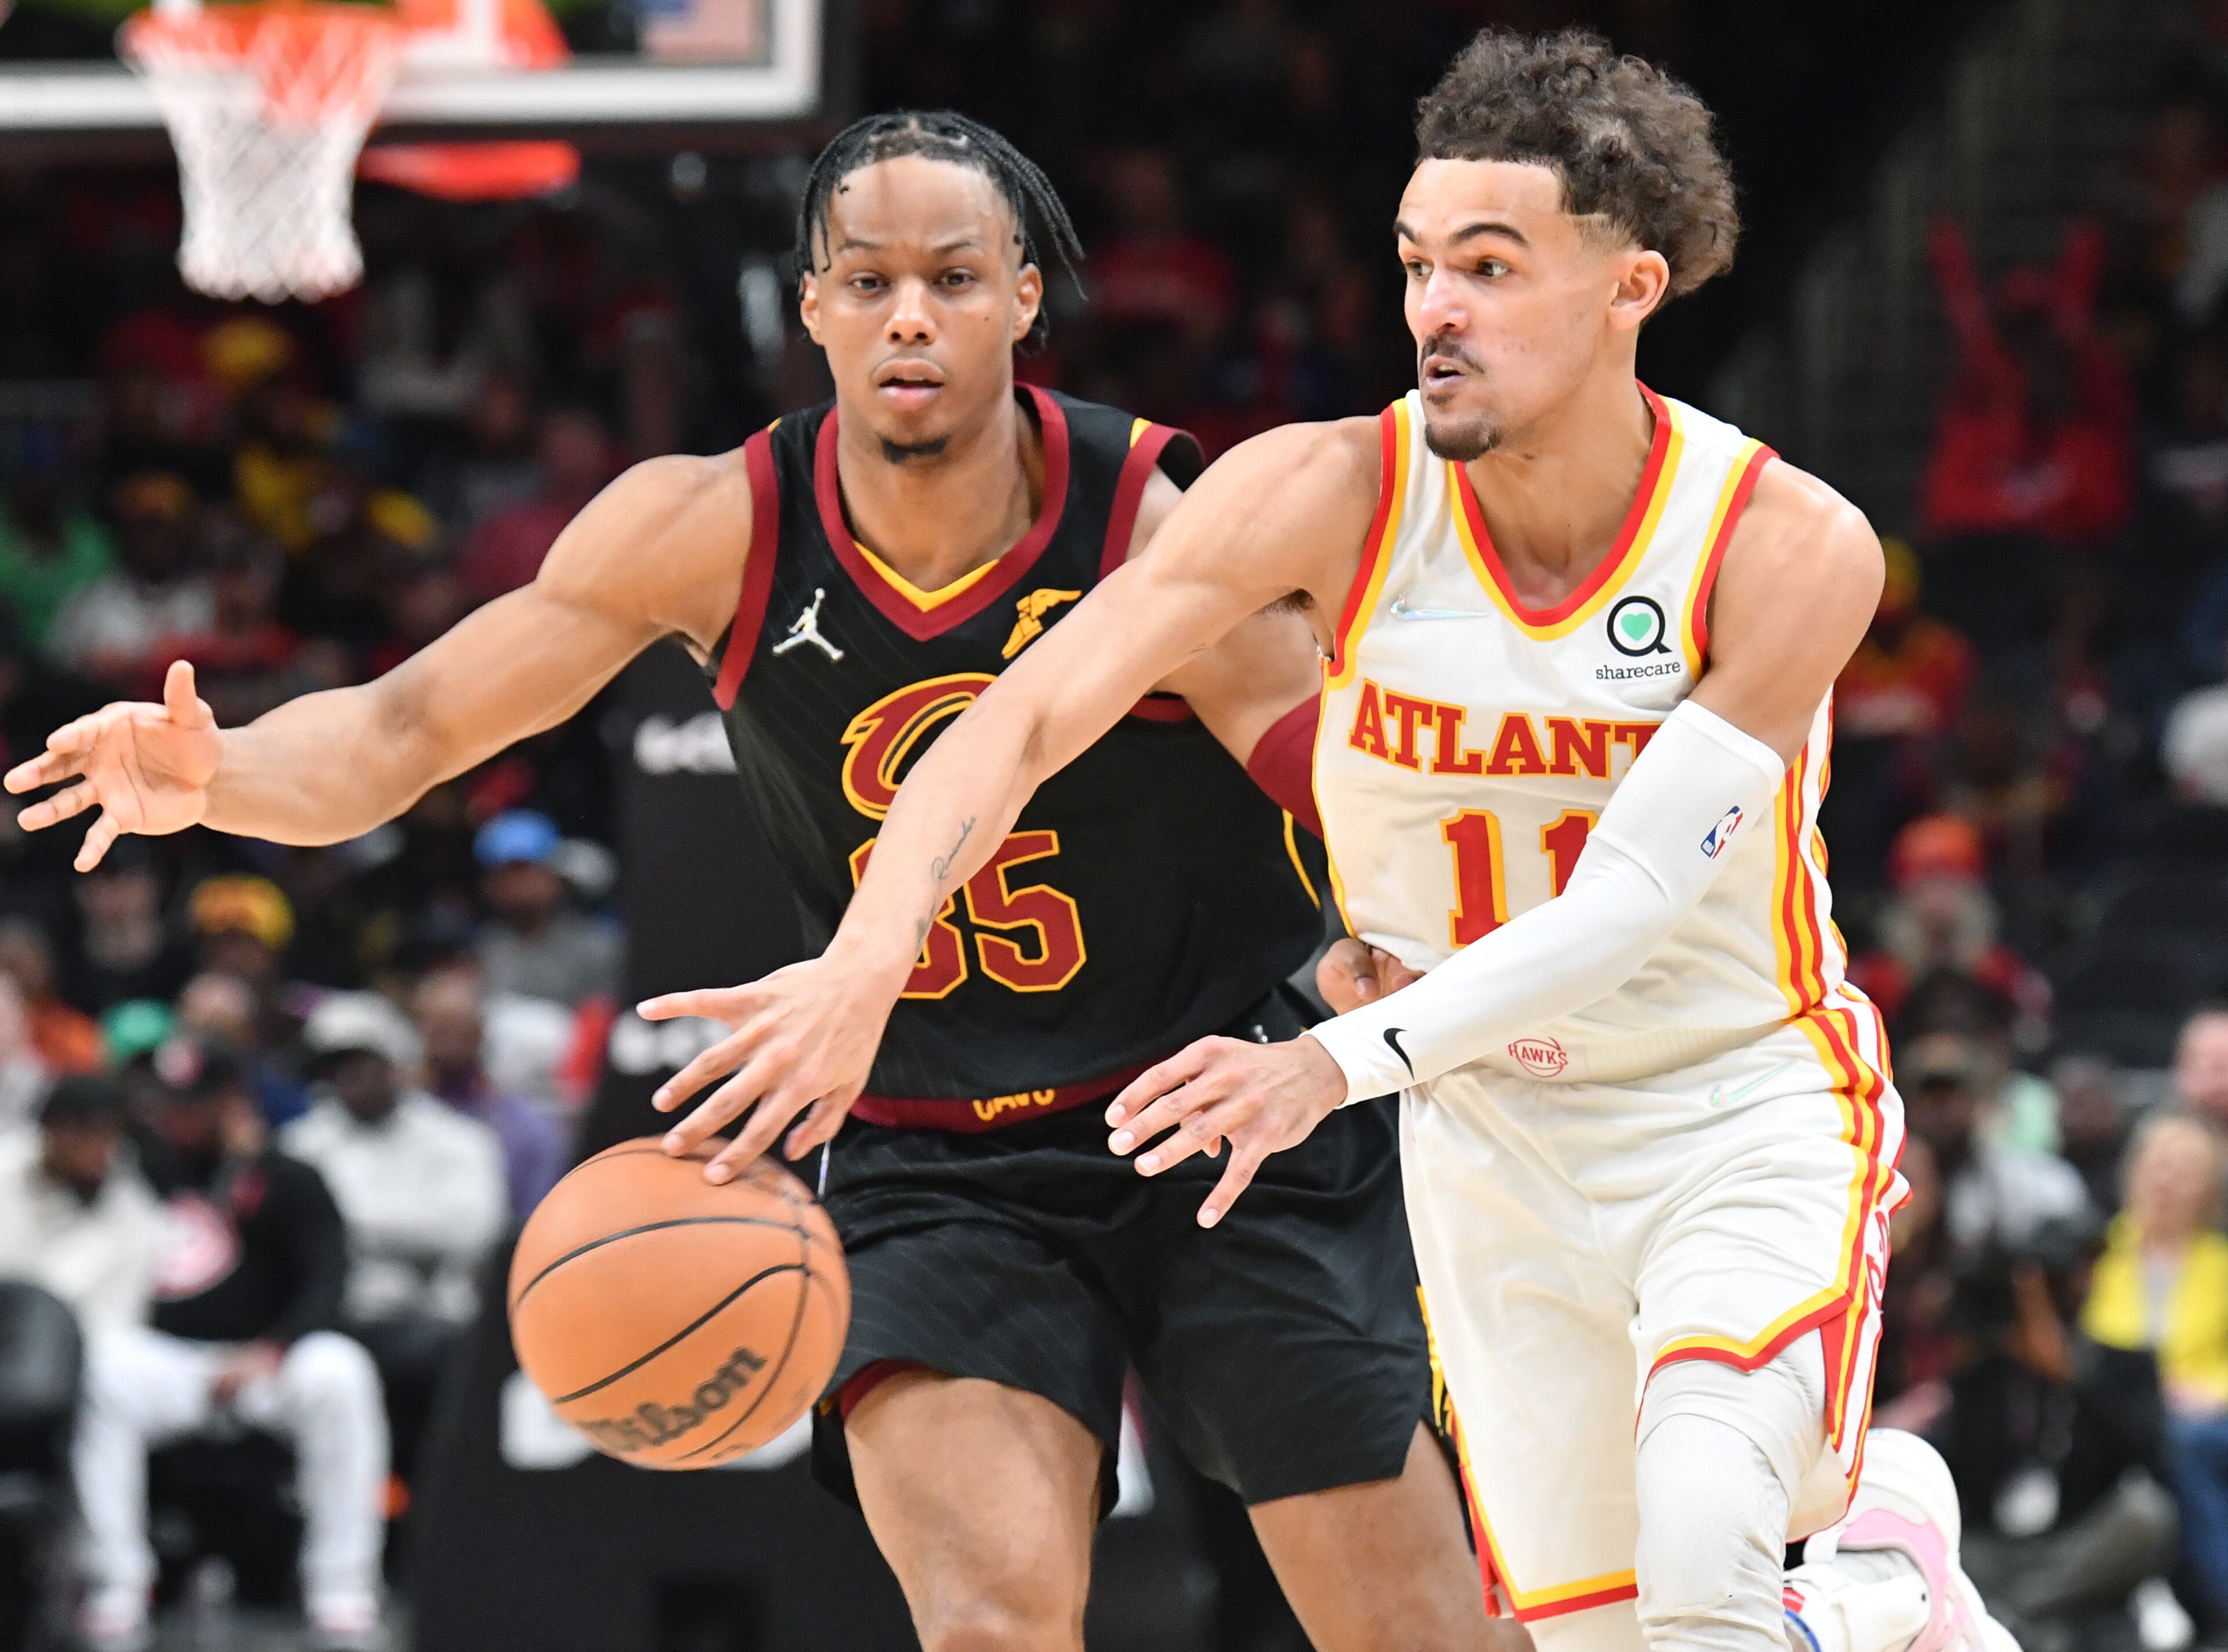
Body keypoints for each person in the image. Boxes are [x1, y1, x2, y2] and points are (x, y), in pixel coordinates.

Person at [3, 112, 1502, 1652]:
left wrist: (1421, 955)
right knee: (992, 1617)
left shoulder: (1155, 529)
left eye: (953, 277)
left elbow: (1350, 797)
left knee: (1418, 1632)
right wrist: (220, 770)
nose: (907, 313)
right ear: (809, 306)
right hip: (942, 1157)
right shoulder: (706, 527)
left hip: (1217, 1107)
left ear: (1024, 300)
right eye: (866, 280)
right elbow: (406, 726)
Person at [638, 33, 2023, 1652]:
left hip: (1724, 1097)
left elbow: (1635, 898)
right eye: (1419, 263)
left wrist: (1327, 1060)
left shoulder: (1784, 543)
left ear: (1628, 286)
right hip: (1489, 1136)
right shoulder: (1324, 496)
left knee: (1711, 1540)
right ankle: (1869, 1589)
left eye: (1491, 268)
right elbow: (1016, 720)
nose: (1437, 307)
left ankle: (1840, 1578)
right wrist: (868, 958)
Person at [73, 1033, 385, 1651]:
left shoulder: (290, 1176)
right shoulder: (141, 1165)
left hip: (269, 1364)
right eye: (169, 1103)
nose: (177, 1117)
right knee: (100, 1370)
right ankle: (117, 1582)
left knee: (342, 1371)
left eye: (194, 1103)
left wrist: (275, 1347)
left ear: (230, 1100)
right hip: (177, 1366)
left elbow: (330, 1277)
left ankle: (341, 1585)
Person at [281, 992, 506, 1481]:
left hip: (424, 1315)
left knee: (460, 1360)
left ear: (397, 1062)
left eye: (364, 1061)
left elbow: (472, 1230)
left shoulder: (457, 1138)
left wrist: (347, 1221)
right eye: (337, 1066)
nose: (352, 1076)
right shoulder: (302, 1144)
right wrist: (400, 1230)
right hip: (332, 1315)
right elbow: (290, 1237)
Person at [2082, 1113, 2228, 1624]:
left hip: (2197, 1419)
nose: (2167, 1180)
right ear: (2133, 1171)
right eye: (2158, 1164)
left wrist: (2214, 1391)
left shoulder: (2221, 1263)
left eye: (2185, 1170)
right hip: (2115, 1413)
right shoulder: (2096, 1251)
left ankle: (2216, 1605)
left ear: (2209, 1188)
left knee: (2186, 1444)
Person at [0, 1074, 162, 1336]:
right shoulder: (7, 1166)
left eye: (111, 1136)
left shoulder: (133, 1217)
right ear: (52, 1130)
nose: (101, 1149)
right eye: (89, 1134)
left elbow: (117, 1329)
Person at [413, 967, 567, 1219]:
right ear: (420, 1030)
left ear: (482, 1032)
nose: (450, 1043)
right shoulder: (391, 1109)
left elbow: (536, 1219)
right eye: (440, 1030)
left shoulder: (526, 1129)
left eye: (461, 1030)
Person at [470, 810, 622, 1010]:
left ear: (554, 874)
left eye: (526, 870)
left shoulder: (598, 945)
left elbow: (604, 1016)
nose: (517, 884)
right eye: (504, 874)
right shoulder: (485, 948)